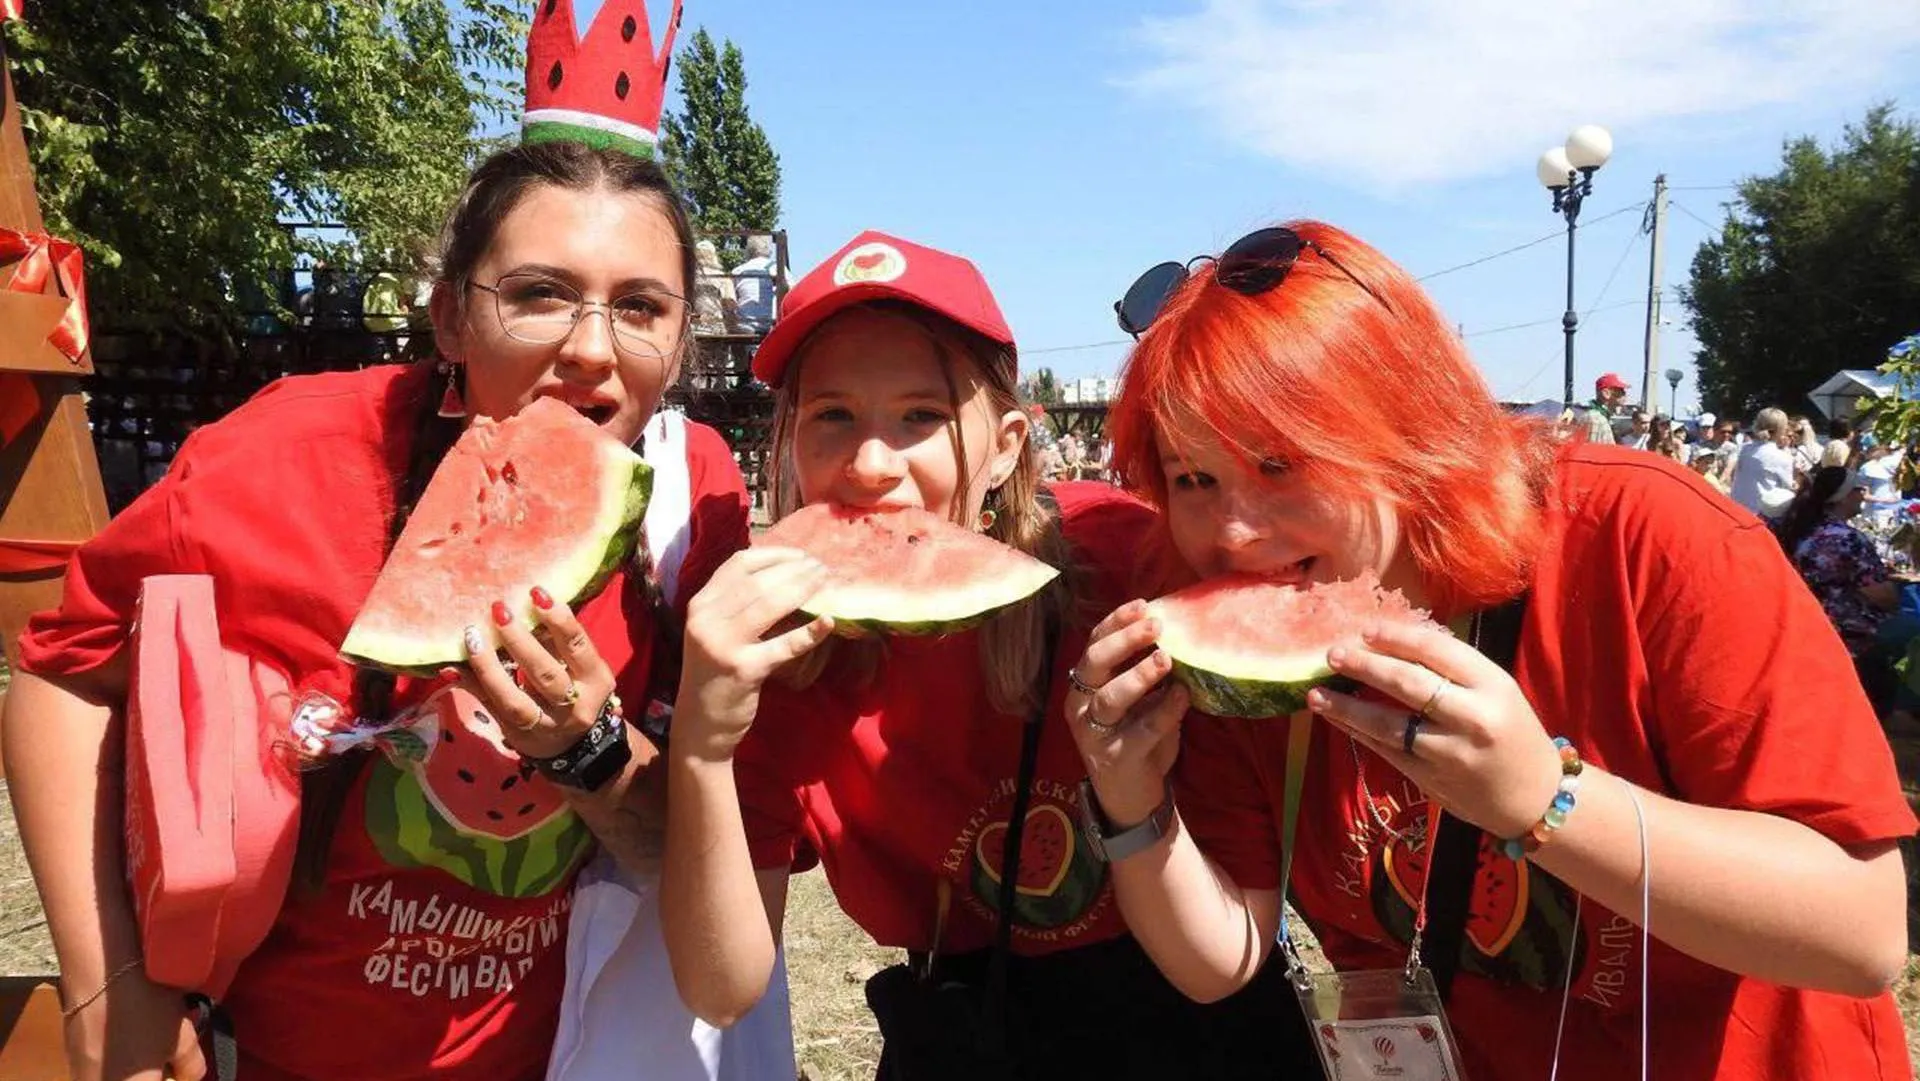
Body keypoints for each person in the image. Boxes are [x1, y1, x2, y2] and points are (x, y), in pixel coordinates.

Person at [3, 104, 763, 1081]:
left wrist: (589, 751)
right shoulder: (276, 460)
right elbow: (66, 678)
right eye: (539, 293)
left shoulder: (683, 520)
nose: (590, 347)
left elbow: (672, 847)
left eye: (641, 307)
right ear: (451, 313)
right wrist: (109, 988)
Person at [1066, 221, 1912, 1081]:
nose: (1234, 532)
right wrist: (1131, 804)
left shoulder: (1646, 537)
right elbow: (1222, 958)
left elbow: (1863, 931)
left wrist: (1543, 799)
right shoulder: (1236, 652)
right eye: (1193, 478)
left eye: (1281, 463)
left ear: (1402, 430)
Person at [658, 231, 1311, 1079]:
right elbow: (722, 988)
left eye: (920, 416)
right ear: (789, 439)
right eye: (832, 416)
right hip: (964, 1028)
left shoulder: (1123, 559)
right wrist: (703, 751)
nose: (869, 464)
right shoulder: (774, 656)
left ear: (1006, 443)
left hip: (1190, 1015)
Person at [1778, 466, 1915, 712]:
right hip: (1853, 630)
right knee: (1913, 630)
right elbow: (1881, 595)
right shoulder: (1846, 538)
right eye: (1859, 489)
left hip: (1811, 623)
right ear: (1843, 496)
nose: (1864, 494)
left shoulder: (1802, 530)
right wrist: (1896, 598)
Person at [1728, 407, 1798, 514]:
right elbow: (1787, 489)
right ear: (1782, 429)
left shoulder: (1744, 448)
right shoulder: (1783, 457)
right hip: (1761, 515)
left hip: (1737, 510)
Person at [731, 234, 778, 332]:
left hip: (745, 326)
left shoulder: (738, 271)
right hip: (772, 326)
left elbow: (731, 301)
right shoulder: (780, 269)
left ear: (749, 249)